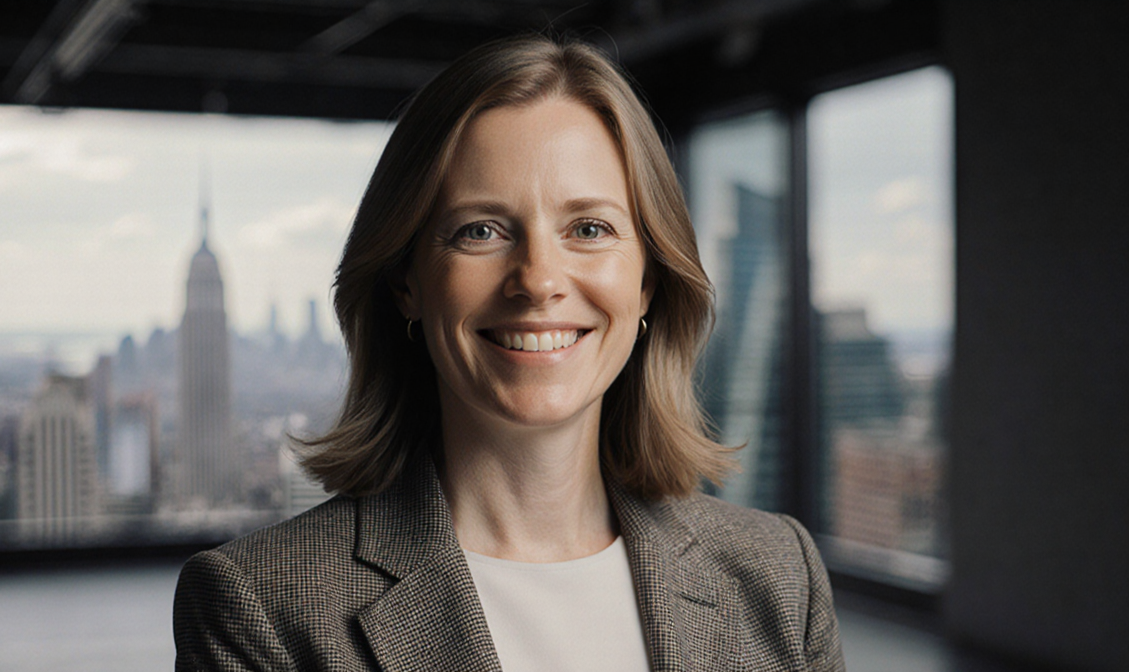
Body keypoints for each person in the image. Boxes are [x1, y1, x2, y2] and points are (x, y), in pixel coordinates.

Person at [173, 34, 844, 672]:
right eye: (481, 230)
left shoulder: (779, 574)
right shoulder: (264, 604)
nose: (539, 280)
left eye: (588, 228)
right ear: (406, 281)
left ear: (647, 282)